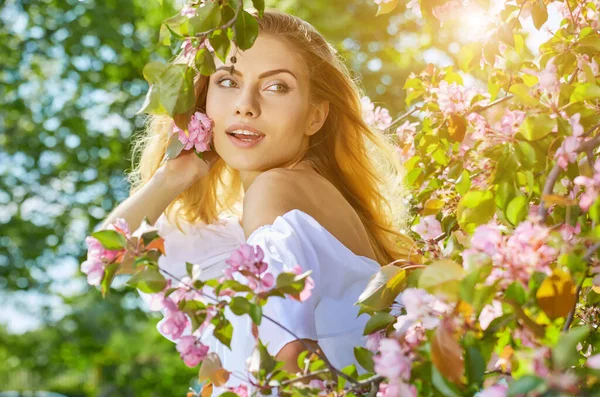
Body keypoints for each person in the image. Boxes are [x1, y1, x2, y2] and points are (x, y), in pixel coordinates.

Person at [100, 8, 417, 393]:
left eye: (276, 87)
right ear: (204, 100)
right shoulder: (262, 223)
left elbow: (292, 365)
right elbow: (110, 257)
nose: (246, 105)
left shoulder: (277, 190)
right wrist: (173, 175)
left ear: (315, 116)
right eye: (228, 81)